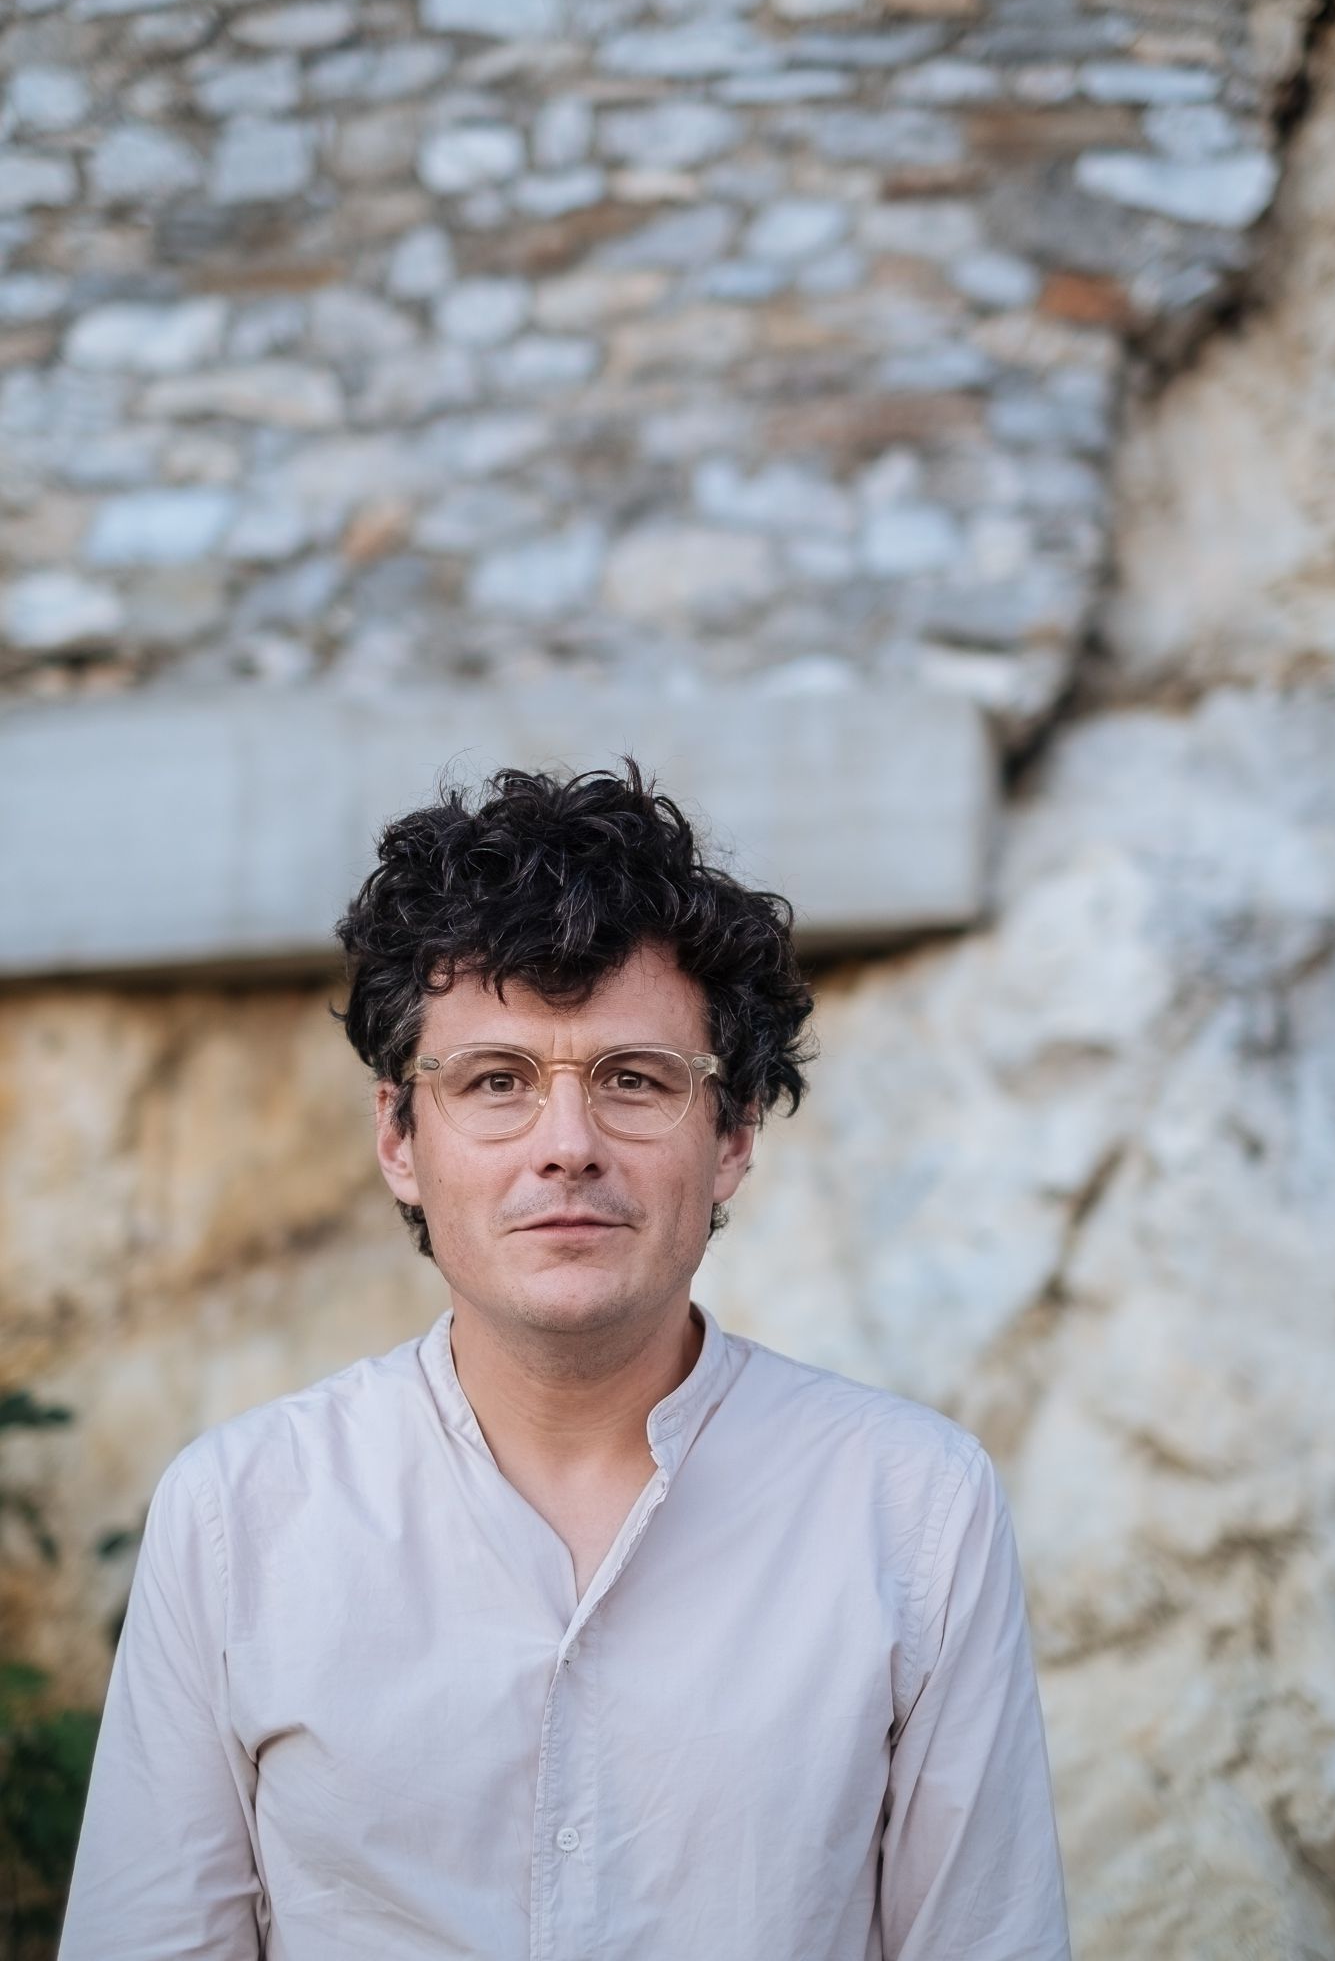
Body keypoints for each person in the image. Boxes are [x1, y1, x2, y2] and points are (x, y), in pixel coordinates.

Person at [59, 762, 1071, 1961]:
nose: (568, 1145)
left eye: (634, 1079)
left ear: (734, 1132)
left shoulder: (915, 1508)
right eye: (496, 1080)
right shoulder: (237, 1514)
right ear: (398, 1136)